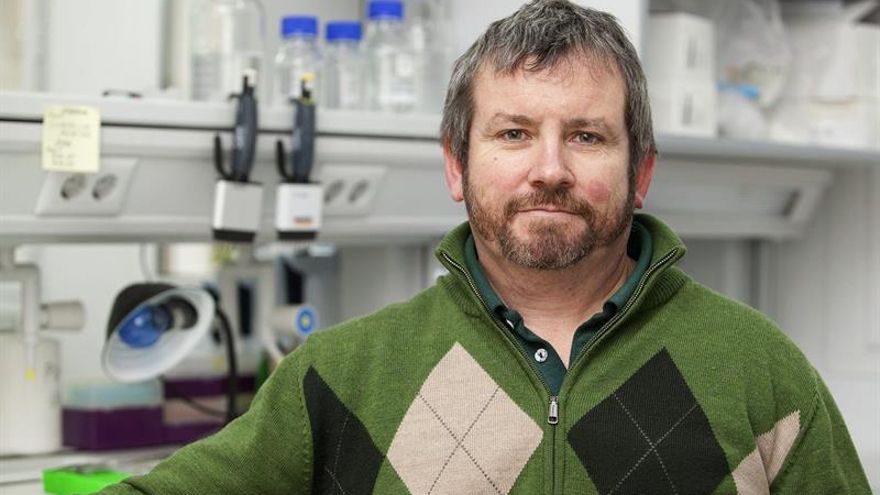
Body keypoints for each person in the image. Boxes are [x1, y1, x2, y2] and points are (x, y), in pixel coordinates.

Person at [101, 1, 870, 493]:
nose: (549, 169)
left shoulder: (758, 370)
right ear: (455, 165)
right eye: (513, 133)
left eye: (586, 136)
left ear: (640, 172)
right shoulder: (341, 377)